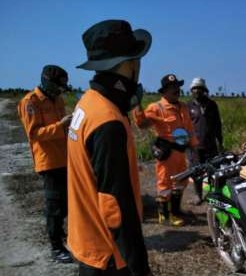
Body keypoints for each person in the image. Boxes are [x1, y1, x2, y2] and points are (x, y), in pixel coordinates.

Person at [67, 20, 152, 275]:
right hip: (109, 255)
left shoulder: (88, 102)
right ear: (128, 64)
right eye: (136, 59)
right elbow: (114, 204)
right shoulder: (108, 121)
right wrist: (139, 266)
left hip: (88, 241)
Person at [17, 65, 73, 263]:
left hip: (65, 158)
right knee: (55, 206)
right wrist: (61, 126)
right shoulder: (30, 102)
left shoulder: (58, 99)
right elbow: (34, 134)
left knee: (67, 203)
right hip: (48, 162)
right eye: (60, 86)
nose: (62, 90)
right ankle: (56, 248)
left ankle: (64, 237)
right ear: (49, 82)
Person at [133, 74, 198, 227]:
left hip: (181, 152)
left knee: (181, 181)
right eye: (172, 88)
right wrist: (137, 105)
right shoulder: (157, 107)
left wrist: (193, 145)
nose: (177, 90)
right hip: (167, 153)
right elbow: (142, 124)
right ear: (164, 92)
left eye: (178, 87)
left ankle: (176, 210)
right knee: (165, 184)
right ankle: (165, 215)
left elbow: (189, 128)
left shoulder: (183, 107)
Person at [187, 78, 223, 205]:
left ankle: (213, 194)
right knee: (196, 171)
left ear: (204, 90)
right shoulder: (188, 106)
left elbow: (217, 124)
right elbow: (186, 126)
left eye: (199, 88)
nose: (196, 91)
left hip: (211, 145)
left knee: (213, 171)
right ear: (191, 91)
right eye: (194, 88)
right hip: (195, 146)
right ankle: (198, 195)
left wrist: (220, 142)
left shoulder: (212, 105)